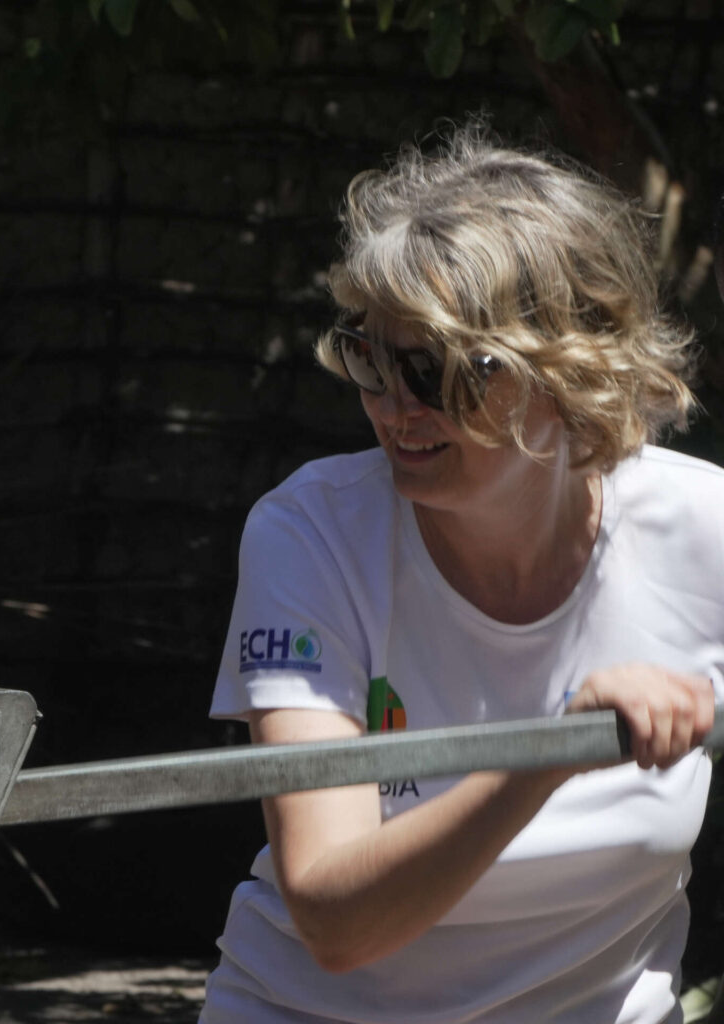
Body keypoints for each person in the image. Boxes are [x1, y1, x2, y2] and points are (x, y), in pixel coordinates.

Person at [199, 127, 724, 1024]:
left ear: (569, 372)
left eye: (436, 372)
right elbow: (334, 917)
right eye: (372, 359)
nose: (395, 408)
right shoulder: (310, 535)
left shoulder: (703, 529)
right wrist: (544, 755)